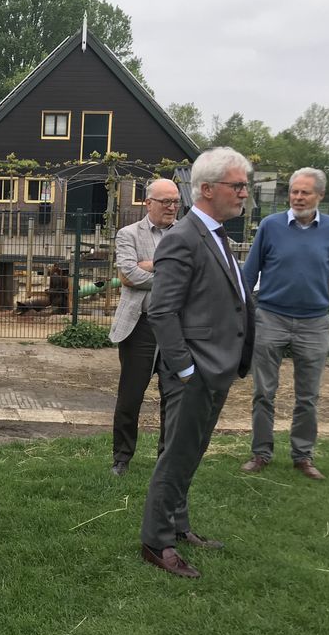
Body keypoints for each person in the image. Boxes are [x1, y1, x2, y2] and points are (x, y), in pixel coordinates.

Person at [140, 147, 256, 579]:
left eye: (244, 185)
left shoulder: (217, 235)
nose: (244, 193)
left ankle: (178, 525)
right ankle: (157, 541)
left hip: (217, 368)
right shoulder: (183, 238)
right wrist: (186, 369)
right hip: (194, 373)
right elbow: (162, 312)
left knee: (192, 453)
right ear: (207, 189)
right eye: (237, 185)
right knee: (176, 456)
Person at [239, 167, 329, 480]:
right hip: (270, 317)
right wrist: (238, 312)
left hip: (314, 323)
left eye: (305, 192)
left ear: (319, 195)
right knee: (264, 392)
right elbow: (249, 273)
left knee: (308, 397)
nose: (298, 197)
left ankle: (302, 456)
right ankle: (261, 453)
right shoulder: (270, 226)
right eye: (294, 191)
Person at [107, 178, 179, 476]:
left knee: (174, 396)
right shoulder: (128, 234)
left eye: (176, 202)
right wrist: (170, 274)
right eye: (166, 202)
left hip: (176, 328)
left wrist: (149, 265)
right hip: (140, 328)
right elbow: (128, 275)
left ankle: (168, 457)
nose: (172, 207)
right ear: (148, 203)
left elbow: (192, 278)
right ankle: (122, 458)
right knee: (130, 396)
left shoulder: (187, 234)